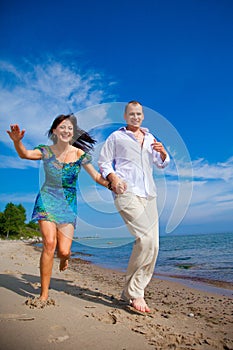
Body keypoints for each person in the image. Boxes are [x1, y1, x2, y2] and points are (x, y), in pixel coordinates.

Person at [7, 114, 110, 302]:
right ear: (54, 130)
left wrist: (112, 185)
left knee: (63, 251)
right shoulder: (46, 151)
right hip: (47, 199)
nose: (66, 131)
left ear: (74, 132)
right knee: (49, 243)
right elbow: (25, 154)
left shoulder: (80, 155)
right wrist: (17, 142)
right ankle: (44, 293)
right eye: (62, 127)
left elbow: (96, 176)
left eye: (70, 128)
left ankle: (65, 258)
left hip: (68, 204)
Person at [98, 101, 170, 312]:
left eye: (139, 114)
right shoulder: (116, 137)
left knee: (152, 246)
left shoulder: (150, 138)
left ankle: (127, 292)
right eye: (132, 114)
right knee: (145, 239)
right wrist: (113, 178)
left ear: (143, 116)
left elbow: (161, 164)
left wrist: (164, 153)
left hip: (149, 195)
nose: (135, 117)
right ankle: (136, 293)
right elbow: (103, 162)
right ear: (125, 115)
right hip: (126, 192)